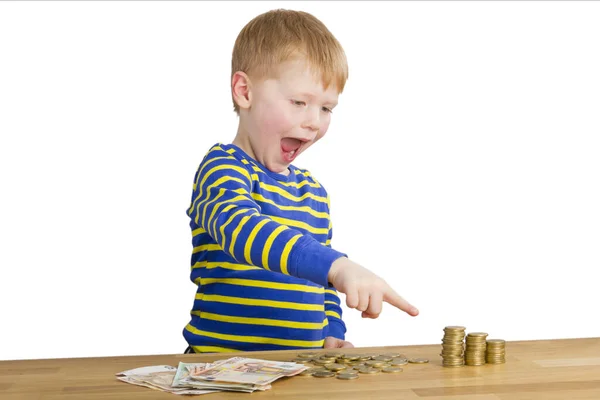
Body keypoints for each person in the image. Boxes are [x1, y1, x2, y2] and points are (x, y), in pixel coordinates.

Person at [183, 8, 418, 354]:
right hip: (220, 370)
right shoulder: (223, 168)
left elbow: (322, 283)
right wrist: (337, 265)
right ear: (244, 91)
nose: (313, 122)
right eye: (299, 102)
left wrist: (332, 331)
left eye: (326, 108)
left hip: (298, 369)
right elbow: (242, 229)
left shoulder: (314, 193)